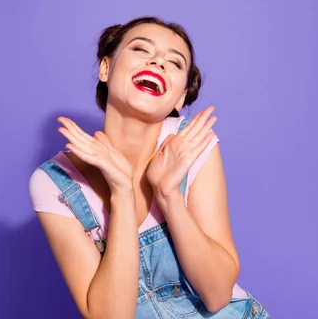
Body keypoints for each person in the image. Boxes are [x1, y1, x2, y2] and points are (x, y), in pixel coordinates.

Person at [29, 16, 270, 318]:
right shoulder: (56, 184)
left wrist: (168, 195)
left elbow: (218, 293)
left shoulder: (191, 145)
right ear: (106, 67)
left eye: (175, 62)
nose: (157, 63)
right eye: (141, 50)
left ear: (180, 97)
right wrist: (122, 192)